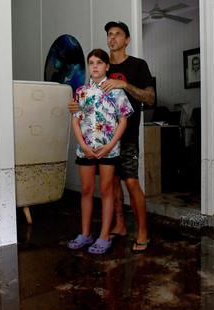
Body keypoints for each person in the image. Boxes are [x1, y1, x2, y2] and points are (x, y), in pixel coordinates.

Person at [69, 21, 155, 252]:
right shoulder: (95, 74)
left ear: (127, 40)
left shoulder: (138, 65)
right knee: (111, 184)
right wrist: (76, 108)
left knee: (130, 181)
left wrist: (124, 84)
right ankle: (119, 225)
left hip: (125, 135)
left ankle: (143, 232)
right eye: (109, 34)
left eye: (118, 34)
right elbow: (85, 106)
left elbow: (150, 98)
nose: (112, 38)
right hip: (99, 139)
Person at [67, 48, 133, 254]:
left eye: (99, 62)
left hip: (108, 150)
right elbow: (75, 121)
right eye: (91, 63)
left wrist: (110, 145)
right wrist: (84, 146)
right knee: (86, 191)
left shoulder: (116, 91)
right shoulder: (81, 92)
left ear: (107, 66)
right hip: (85, 149)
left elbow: (123, 120)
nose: (94, 66)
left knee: (106, 192)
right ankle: (85, 234)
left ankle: (104, 236)